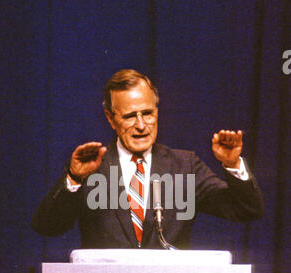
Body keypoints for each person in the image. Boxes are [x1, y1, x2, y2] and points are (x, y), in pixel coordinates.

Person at [31, 69, 264, 249]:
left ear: (157, 112)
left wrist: (233, 165)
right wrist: (73, 178)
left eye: (148, 113)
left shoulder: (185, 166)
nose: (141, 125)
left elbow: (246, 210)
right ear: (111, 119)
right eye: (130, 116)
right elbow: (47, 226)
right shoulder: (91, 169)